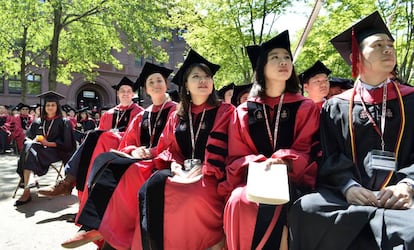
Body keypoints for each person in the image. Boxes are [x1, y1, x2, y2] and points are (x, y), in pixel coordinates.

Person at [289, 11, 414, 250]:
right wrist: (348, 186)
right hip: (353, 196)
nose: (388, 49)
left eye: (390, 44)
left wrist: (407, 185)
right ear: (356, 57)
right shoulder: (337, 106)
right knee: (306, 209)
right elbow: (330, 156)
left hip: (401, 197)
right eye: (377, 45)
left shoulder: (411, 100)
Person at [217, 30, 320, 249]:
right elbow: (237, 155)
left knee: (283, 204)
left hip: (292, 180)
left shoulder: (305, 106)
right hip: (253, 180)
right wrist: (260, 163)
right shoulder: (244, 111)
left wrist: (284, 161)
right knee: (238, 200)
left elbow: (307, 149)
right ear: (261, 67)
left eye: (287, 57)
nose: (283, 62)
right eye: (275, 57)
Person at [61, 62, 176, 249]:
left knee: (130, 171)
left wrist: (151, 152)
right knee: (108, 164)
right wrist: (133, 150)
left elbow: (174, 141)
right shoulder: (143, 115)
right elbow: (127, 142)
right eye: (151, 82)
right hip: (139, 159)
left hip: (162, 160)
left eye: (159, 81)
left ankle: (102, 228)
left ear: (166, 85)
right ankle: (92, 224)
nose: (156, 84)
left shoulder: (175, 111)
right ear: (146, 89)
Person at [136, 49, 234, 250]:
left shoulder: (225, 111)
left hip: (213, 174)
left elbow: (225, 149)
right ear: (186, 86)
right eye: (196, 77)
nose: (203, 81)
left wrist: (204, 169)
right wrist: (175, 166)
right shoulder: (178, 115)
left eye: (207, 76)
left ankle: (210, 242)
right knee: (153, 188)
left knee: (190, 195)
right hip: (182, 172)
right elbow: (168, 148)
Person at [37, 77, 143, 198]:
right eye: (122, 91)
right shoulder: (109, 113)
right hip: (104, 148)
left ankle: (67, 182)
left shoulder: (140, 113)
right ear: (117, 94)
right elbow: (99, 131)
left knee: (93, 138)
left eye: (128, 91)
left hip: (125, 148)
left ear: (133, 94)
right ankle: (73, 190)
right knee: (89, 145)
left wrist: (112, 135)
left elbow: (138, 137)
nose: (125, 93)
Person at [14, 91, 77, 206]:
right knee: (29, 145)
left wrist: (47, 143)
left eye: (53, 105)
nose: (50, 107)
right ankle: (28, 186)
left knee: (29, 150)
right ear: (44, 107)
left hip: (55, 152)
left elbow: (67, 144)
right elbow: (27, 137)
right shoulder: (38, 121)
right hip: (37, 151)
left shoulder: (64, 122)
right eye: (47, 105)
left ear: (57, 106)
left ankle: (27, 189)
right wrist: (34, 141)